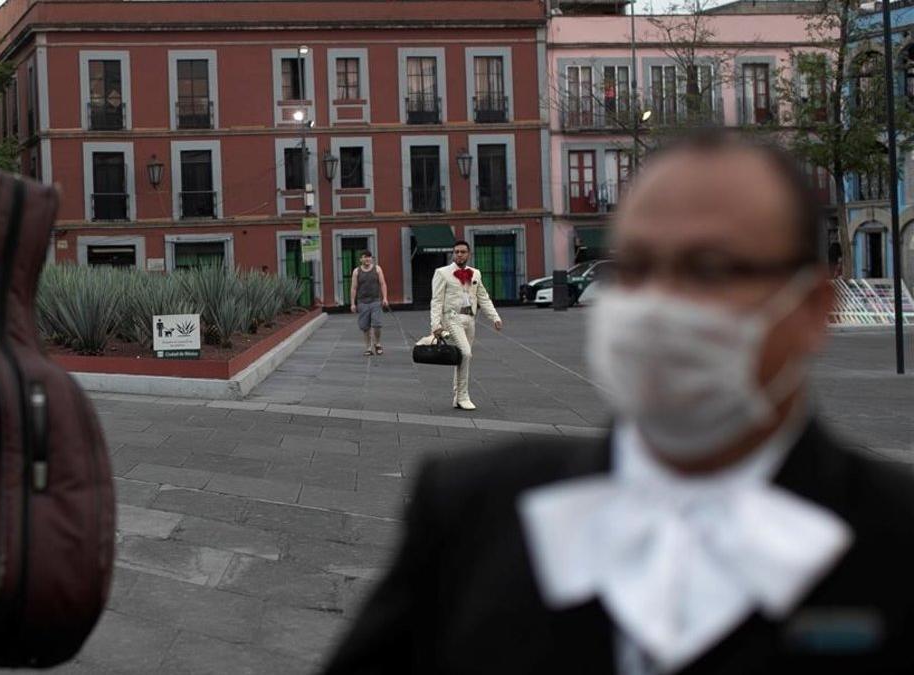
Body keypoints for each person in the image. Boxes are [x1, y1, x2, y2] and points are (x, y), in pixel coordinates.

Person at [323, 133, 914, 674]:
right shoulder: (471, 514)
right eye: (635, 268)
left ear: (813, 310)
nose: (659, 302)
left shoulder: (896, 537)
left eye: (707, 268)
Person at [429, 240, 502, 411]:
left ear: (469, 254)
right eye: (456, 252)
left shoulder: (475, 273)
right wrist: (436, 325)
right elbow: (436, 300)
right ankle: (463, 396)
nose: (459, 254)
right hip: (452, 318)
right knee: (466, 354)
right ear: (453, 254)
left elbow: (483, 297)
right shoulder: (442, 273)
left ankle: (458, 396)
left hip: (470, 319)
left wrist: (495, 317)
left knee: (462, 358)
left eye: (463, 252)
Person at [349, 250, 389, 355]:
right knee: (365, 327)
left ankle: (378, 343)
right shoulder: (356, 271)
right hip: (362, 302)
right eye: (365, 257)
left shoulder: (377, 269)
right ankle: (368, 348)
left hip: (376, 301)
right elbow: (353, 288)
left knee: (377, 324)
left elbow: (382, 284)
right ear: (360, 259)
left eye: (369, 257)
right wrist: (353, 303)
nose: (367, 259)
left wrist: (385, 298)